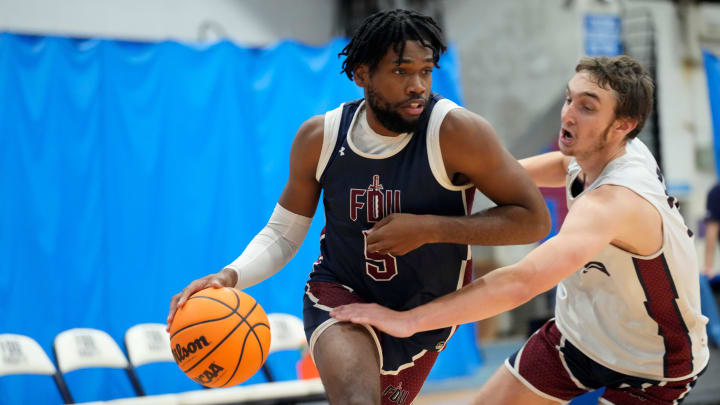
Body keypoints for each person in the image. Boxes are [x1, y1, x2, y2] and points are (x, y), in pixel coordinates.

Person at [167, 8, 550, 405]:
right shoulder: (321, 137)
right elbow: (283, 232)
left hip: (426, 311)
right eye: (401, 72)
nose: (418, 85)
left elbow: (533, 219)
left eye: (426, 71)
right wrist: (229, 276)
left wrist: (432, 229)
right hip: (340, 292)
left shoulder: (457, 132)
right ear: (362, 74)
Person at [332, 55, 711, 405]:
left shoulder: (614, 201)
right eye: (569, 98)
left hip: (653, 364)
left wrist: (407, 321)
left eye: (587, 107)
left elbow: (521, 281)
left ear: (623, 126)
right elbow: (565, 167)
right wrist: (477, 177)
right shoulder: (607, 150)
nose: (569, 114)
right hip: (579, 337)